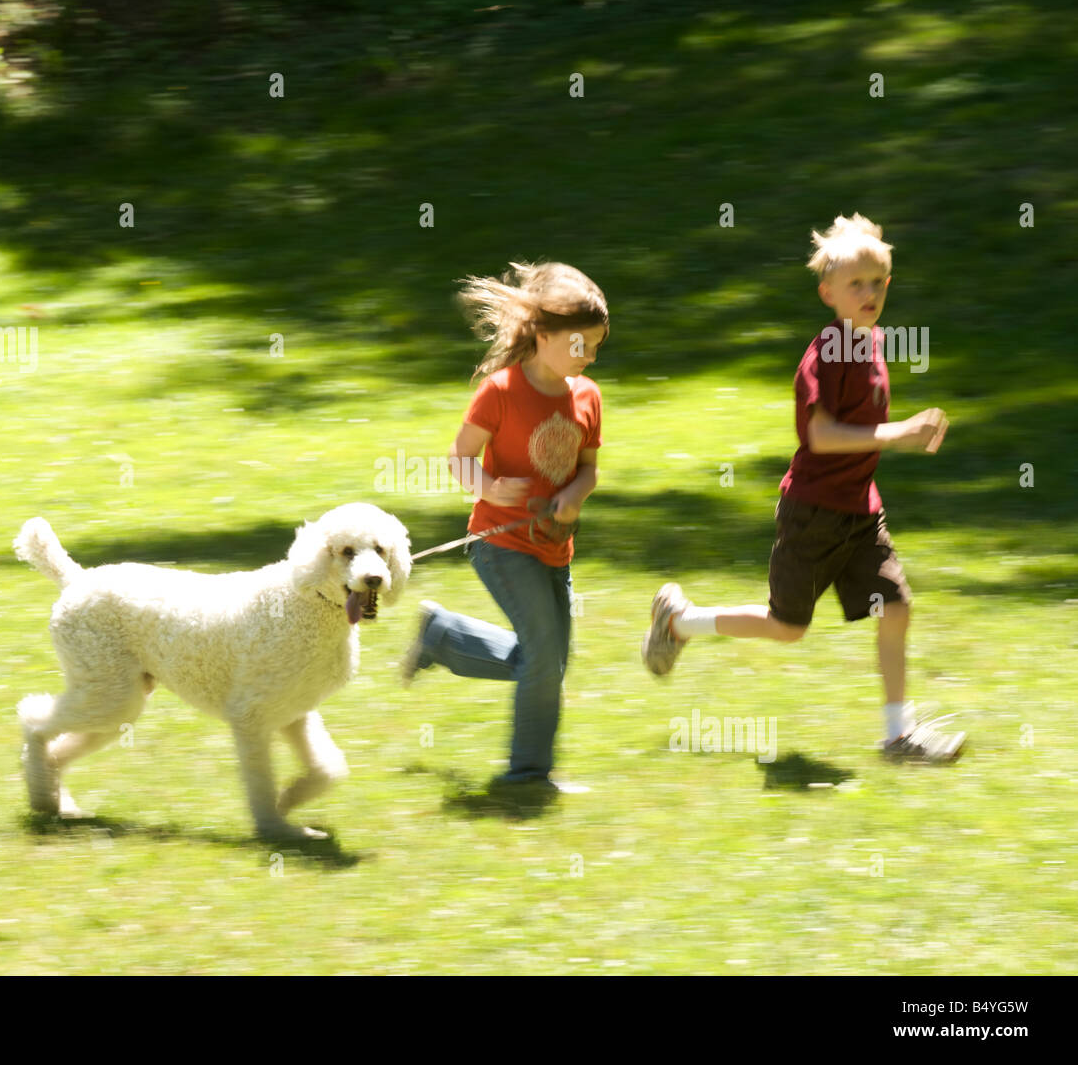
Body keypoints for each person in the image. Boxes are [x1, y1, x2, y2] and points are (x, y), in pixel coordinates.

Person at [644, 213, 965, 761]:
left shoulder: (874, 343)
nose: (869, 293)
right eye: (855, 284)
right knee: (787, 626)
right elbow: (820, 436)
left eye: (878, 282)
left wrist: (899, 434)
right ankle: (679, 621)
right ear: (827, 293)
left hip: (861, 513)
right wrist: (898, 434)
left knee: (896, 607)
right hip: (814, 512)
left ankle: (899, 737)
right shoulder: (825, 354)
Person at [402, 261, 608, 792]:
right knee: (542, 660)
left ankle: (443, 637)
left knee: (548, 662)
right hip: (500, 544)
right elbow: (460, 457)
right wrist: (490, 488)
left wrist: (573, 496)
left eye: (595, 346)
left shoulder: (587, 396)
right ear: (543, 335)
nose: (588, 356)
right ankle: (529, 775)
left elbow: (588, 469)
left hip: (555, 548)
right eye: (580, 344)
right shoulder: (501, 391)